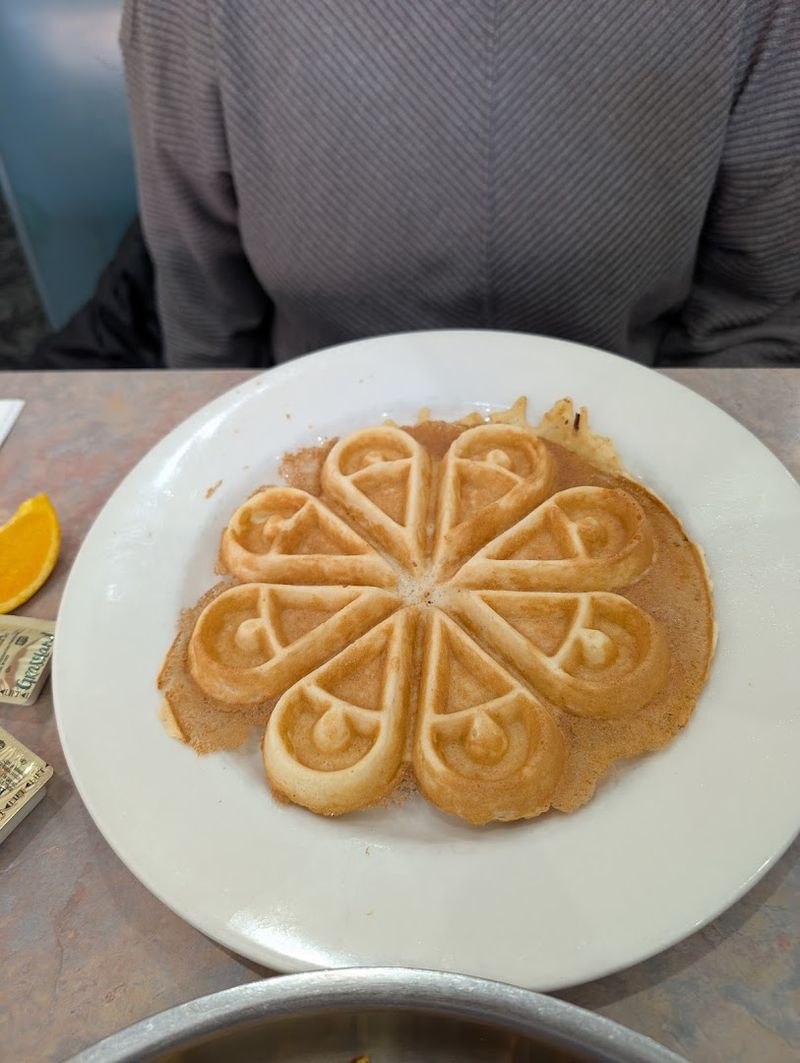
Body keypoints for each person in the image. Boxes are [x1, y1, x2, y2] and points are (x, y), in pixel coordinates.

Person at [118, 0, 799, 369]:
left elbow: (752, 313)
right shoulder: (189, 14)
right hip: (306, 436)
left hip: (637, 421)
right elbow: (204, 313)